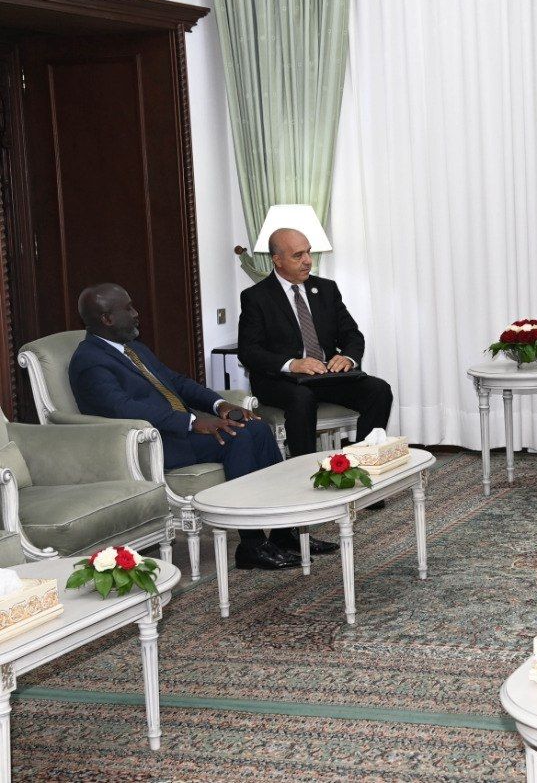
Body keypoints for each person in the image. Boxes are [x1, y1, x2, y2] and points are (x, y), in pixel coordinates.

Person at [67, 283, 322, 570]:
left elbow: (177, 382)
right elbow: (123, 409)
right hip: (153, 443)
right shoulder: (89, 361)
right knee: (238, 436)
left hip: (176, 431)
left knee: (257, 428)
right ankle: (251, 546)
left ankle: (284, 532)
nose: (136, 313)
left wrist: (218, 405)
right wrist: (191, 422)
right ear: (107, 319)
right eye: (128, 308)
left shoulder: (133, 348)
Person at [237, 228, 394, 458]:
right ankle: (305, 470)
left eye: (308, 252)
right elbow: (249, 351)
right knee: (302, 398)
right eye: (298, 255)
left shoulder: (326, 289)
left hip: (325, 376)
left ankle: (362, 462)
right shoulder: (256, 296)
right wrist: (292, 364)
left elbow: (352, 334)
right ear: (277, 260)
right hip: (281, 381)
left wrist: (347, 358)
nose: (308, 261)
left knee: (379, 390)